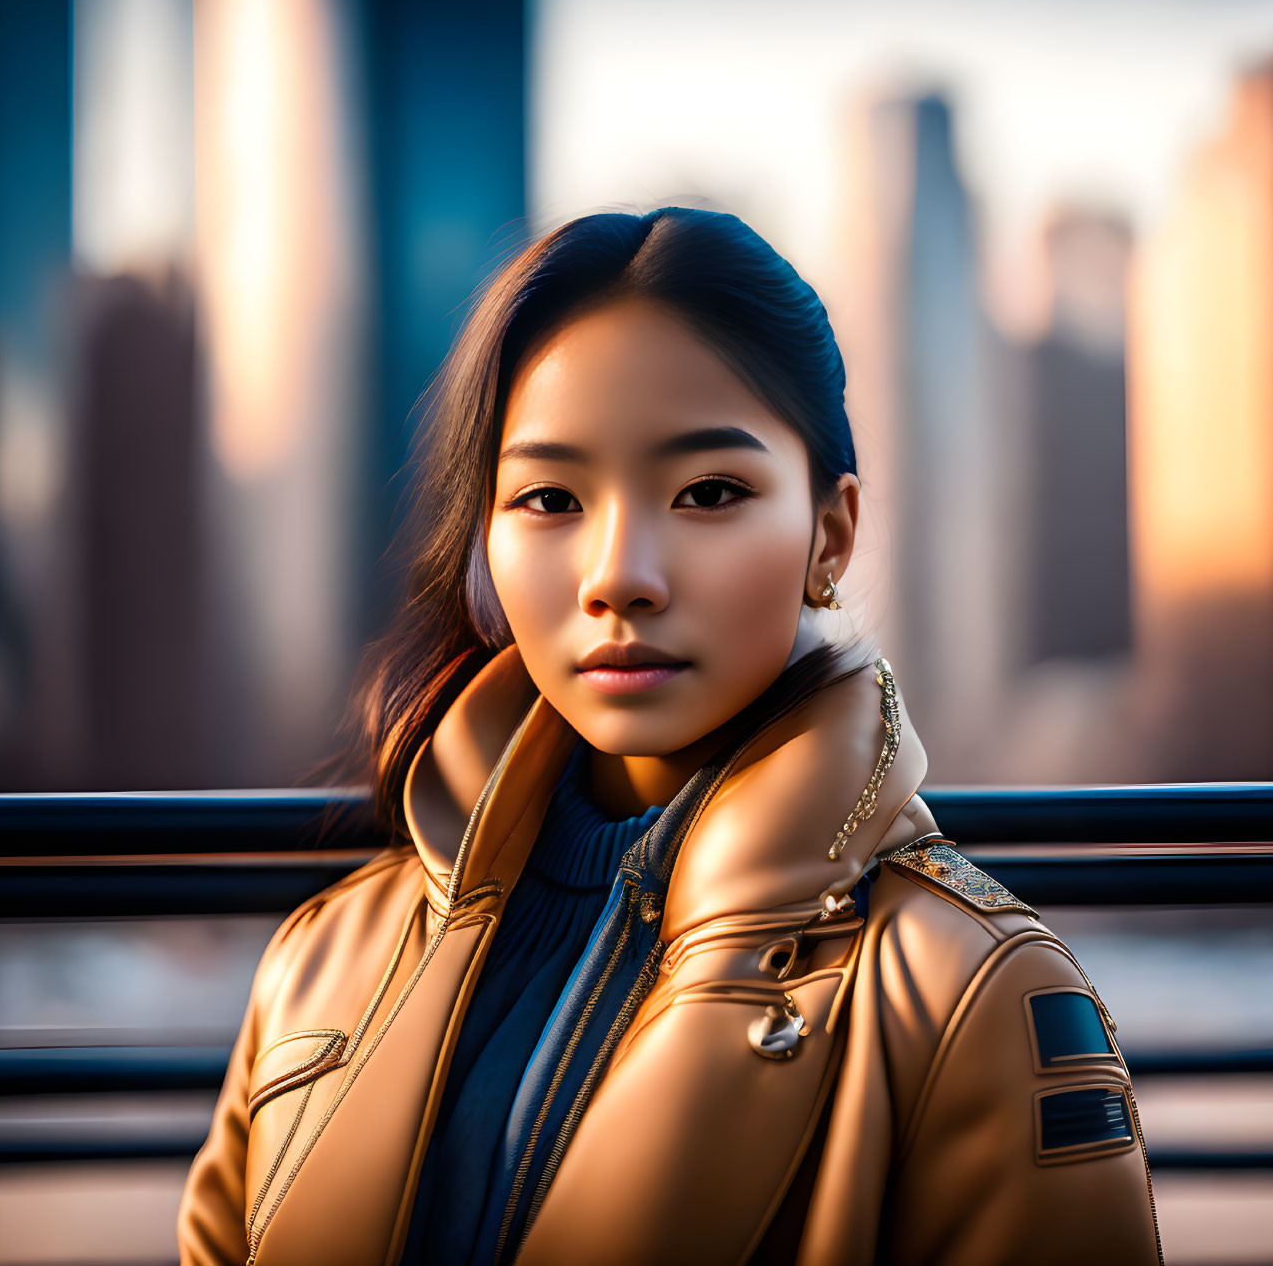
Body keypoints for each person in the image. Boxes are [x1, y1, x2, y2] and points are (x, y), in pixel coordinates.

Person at [176, 206, 1163, 1266]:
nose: (618, 577)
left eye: (706, 493)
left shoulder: (971, 991)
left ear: (829, 532)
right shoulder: (320, 963)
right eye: (550, 498)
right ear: (487, 539)